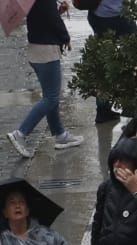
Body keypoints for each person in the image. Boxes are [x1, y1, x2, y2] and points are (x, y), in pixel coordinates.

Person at [8, 0, 82, 159]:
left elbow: (44, 18)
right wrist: (65, 37)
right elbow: (52, 20)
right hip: (46, 51)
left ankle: (60, 135)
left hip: (36, 49)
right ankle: (20, 133)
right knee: (51, 98)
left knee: (50, 95)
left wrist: (58, 11)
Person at [85, 0, 132, 125]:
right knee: (133, 56)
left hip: (98, 15)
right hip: (119, 15)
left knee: (103, 61)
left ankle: (103, 109)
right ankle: (130, 106)